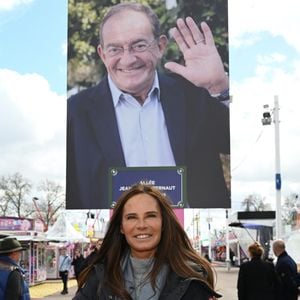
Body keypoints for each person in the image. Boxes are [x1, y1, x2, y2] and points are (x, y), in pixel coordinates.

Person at [67, 2, 230, 210]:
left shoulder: (193, 93)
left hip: (191, 231)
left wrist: (219, 86)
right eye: (115, 49)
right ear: (102, 54)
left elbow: (236, 143)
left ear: (160, 46)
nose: (128, 59)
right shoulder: (74, 114)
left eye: (139, 45)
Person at [73, 183, 221, 299]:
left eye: (150, 216)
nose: (142, 225)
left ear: (163, 223)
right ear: (121, 227)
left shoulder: (192, 279)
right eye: (132, 217)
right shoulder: (100, 277)